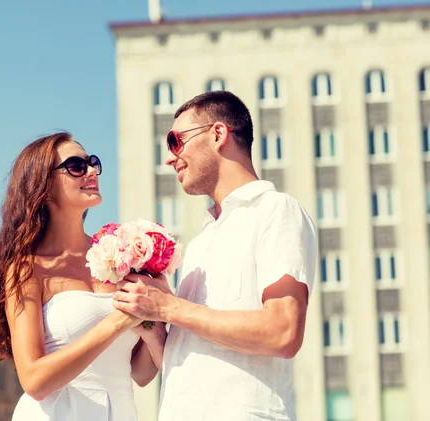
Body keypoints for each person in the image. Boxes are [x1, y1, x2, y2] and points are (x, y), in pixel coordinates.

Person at [113, 91, 317, 420]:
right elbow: (191, 368)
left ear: (218, 134)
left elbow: (283, 332)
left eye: (175, 140)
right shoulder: (200, 242)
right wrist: (154, 325)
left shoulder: (276, 211)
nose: (170, 157)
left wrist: (168, 306)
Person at [0, 132, 167, 421]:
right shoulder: (27, 268)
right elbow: (33, 381)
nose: (91, 171)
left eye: (92, 162)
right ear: (43, 184)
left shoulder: (122, 256)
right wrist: (118, 322)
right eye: (76, 166)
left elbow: (141, 373)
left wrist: (160, 311)